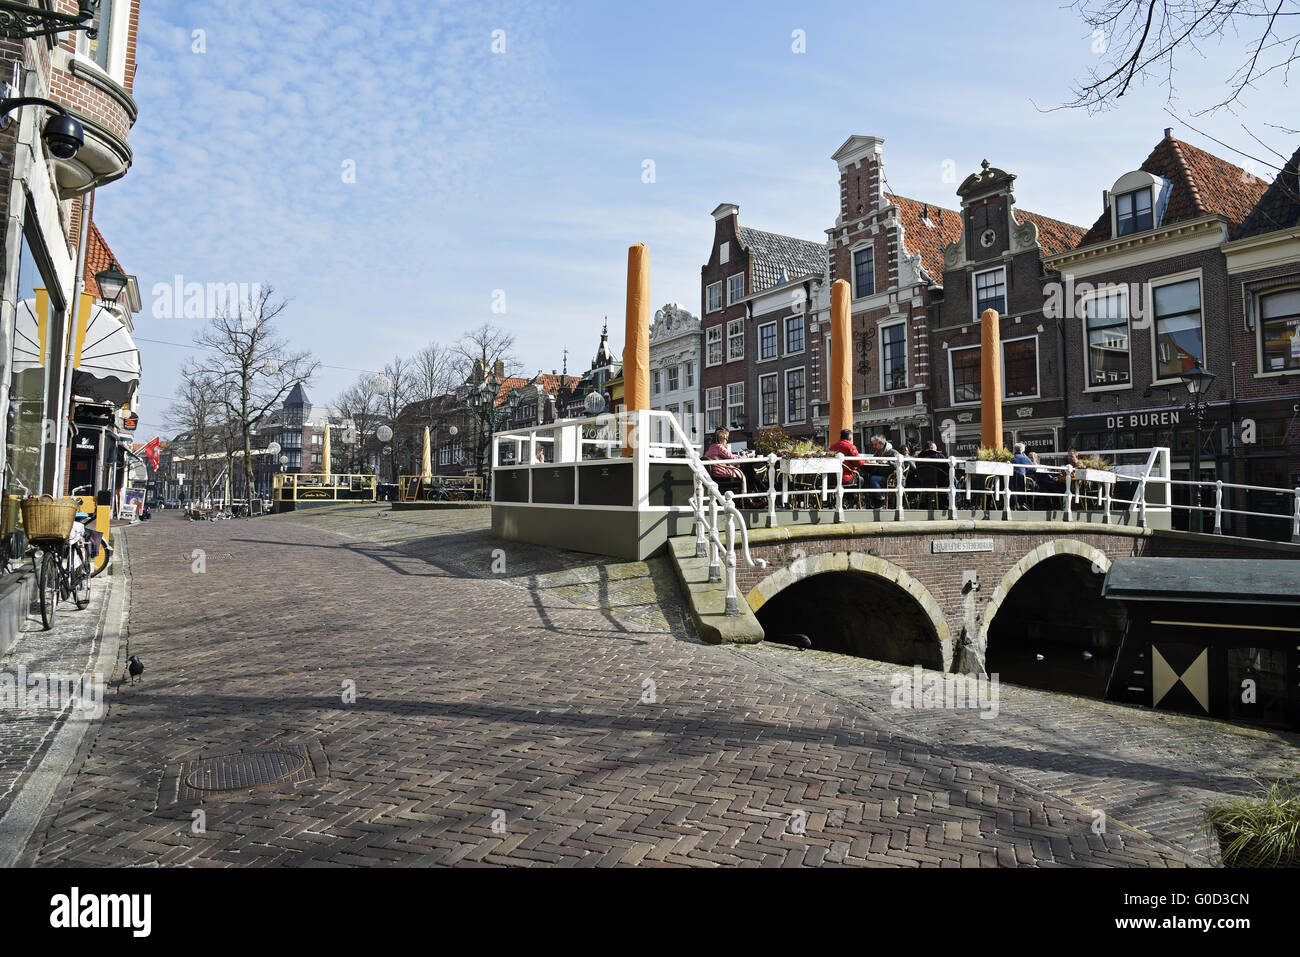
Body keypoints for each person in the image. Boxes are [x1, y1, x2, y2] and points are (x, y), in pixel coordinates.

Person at [704, 428, 766, 492]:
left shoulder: (711, 448)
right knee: (748, 469)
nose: (727, 441)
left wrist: (739, 456)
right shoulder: (719, 447)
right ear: (722, 439)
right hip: (723, 474)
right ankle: (762, 489)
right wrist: (748, 455)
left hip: (716, 474)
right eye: (726, 439)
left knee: (747, 470)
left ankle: (755, 491)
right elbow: (734, 460)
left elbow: (729, 457)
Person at [1010, 442, 1033, 509]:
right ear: (1023, 451)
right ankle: (1025, 504)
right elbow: (1034, 469)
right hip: (1022, 481)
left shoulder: (1010, 457)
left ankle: (1015, 503)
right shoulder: (1024, 458)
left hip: (1010, 481)